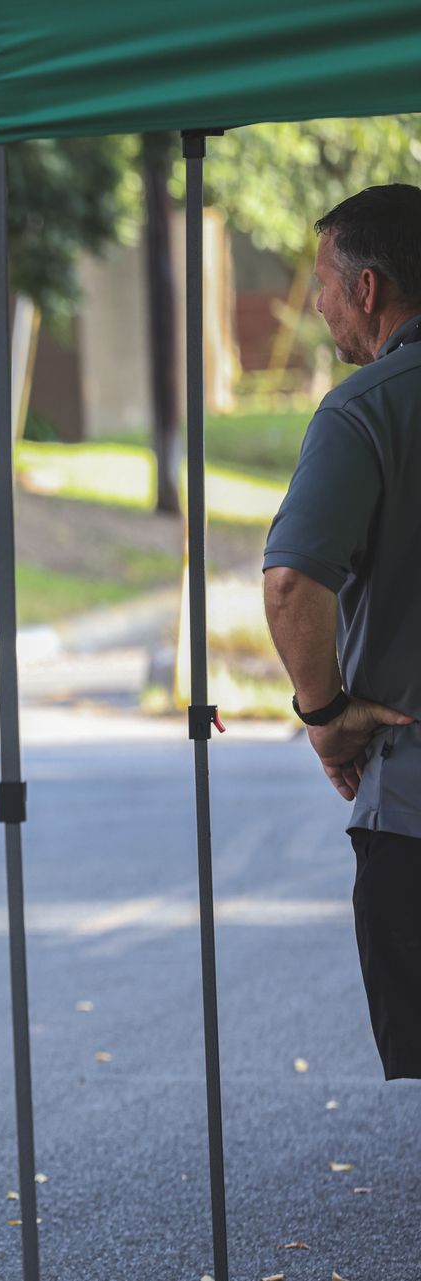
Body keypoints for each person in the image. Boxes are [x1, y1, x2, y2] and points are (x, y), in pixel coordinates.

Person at [263, 184, 421, 1080]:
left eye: (323, 282)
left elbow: (291, 584)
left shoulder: (366, 410)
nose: (317, 303)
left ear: (368, 289)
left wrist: (324, 712)